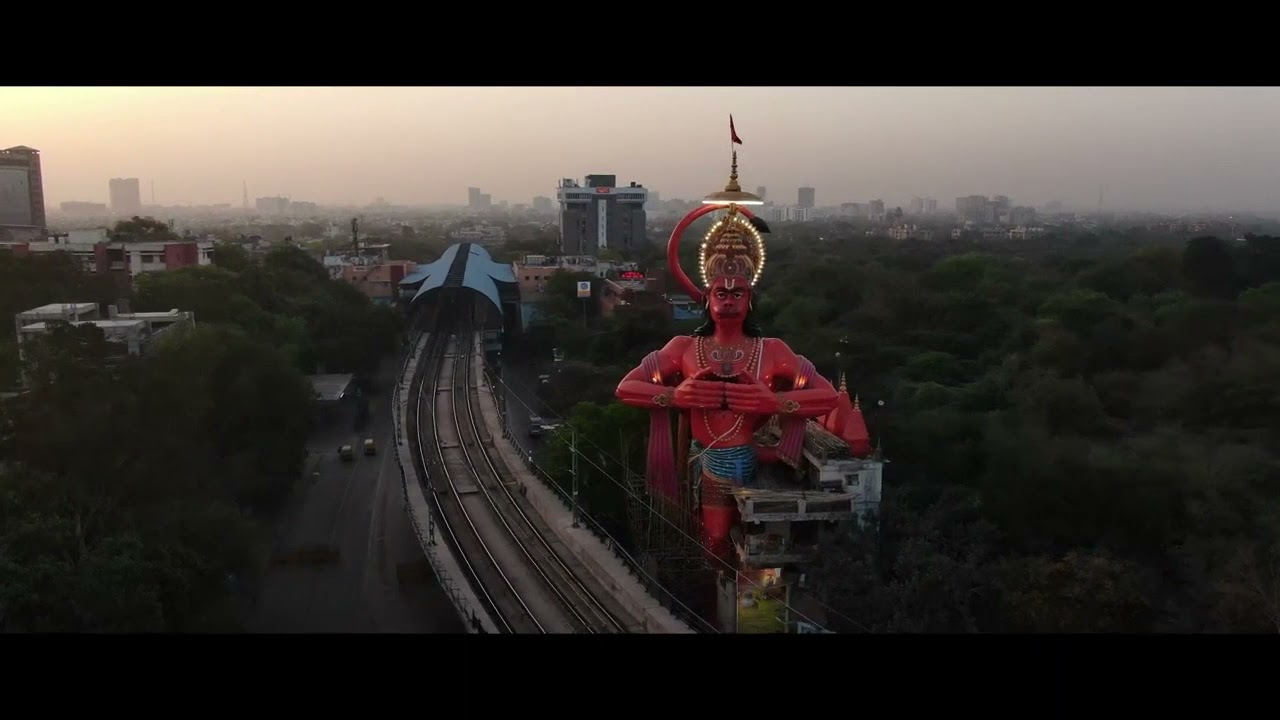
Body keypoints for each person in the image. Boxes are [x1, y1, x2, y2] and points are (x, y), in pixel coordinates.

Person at [615, 205, 838, 566]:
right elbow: (626, 388)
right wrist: (674, 395)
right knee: (713, 538)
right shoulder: (684, 348)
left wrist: (776, 404)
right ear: (707, 298)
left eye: (738, 293)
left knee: (735, 542)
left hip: (742, 457)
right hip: (707, 459)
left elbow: (828, 396)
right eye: (722, 292)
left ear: (751, 301)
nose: (729, 299)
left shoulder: (773, 351)